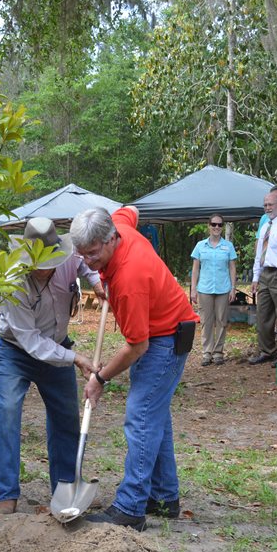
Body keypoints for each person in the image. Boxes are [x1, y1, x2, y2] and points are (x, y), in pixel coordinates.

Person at [70, 206, 199, 531]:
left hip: (166, 339)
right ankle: (164, 497)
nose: (87, 261)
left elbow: (136, 346)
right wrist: (101, 277)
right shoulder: (119, 224)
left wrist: (99, 378)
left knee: (141, 416)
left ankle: (131, 508)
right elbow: (132, 210)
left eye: (93, 253)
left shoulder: (129, 280)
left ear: (112, 238)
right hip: (162, 330)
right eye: (81, 254)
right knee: (155, 416)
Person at [0, 218, 103, 514]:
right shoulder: (14, 280)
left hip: (58, 345)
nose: (44, 268)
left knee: (66, 416)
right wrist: (76, 358)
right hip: (16, 351)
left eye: (49, 261)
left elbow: (86, 262)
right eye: (38, 262)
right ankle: (6, 494)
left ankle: (65, 489)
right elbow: (30, 341)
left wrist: (96, 281)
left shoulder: (68, 259)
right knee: (9, 414)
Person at [249, 186, 277, 366]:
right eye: (265, 205)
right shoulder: (266, 224)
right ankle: (267, 350)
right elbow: (259, 252)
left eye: (270, 204)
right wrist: (255, 277)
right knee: (263, 314)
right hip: (265, 273)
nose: (266, 208)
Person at [190, 214, 238, 366]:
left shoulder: (228, 246)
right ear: (208, 226)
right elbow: (195, 269)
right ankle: (207, 352)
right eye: (214, 224)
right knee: (206, 322)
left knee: (222, 321)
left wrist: (233, 288)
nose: (216, 227)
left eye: (219, 225)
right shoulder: (200, 245)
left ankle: (218, 353)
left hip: (223, 288)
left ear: (222, 227)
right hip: (204, 288)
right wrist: (193, 289)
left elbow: (232, 268)